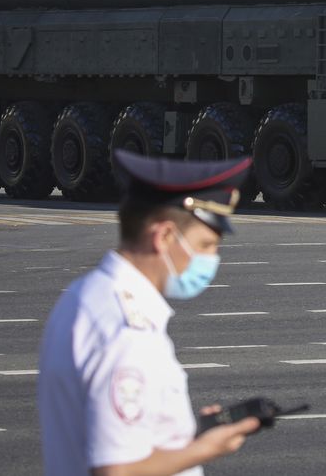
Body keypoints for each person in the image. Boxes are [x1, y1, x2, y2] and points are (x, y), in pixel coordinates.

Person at [38, 149, 260, 476]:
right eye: (205, 245)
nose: (212, 260)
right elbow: (117, 471)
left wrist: (183, 432)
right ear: (164, 236)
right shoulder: (129, 333)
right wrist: (208, 448)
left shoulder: (85, 295)